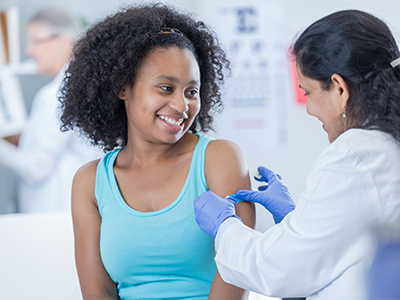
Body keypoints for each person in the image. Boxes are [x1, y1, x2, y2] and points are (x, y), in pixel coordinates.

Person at [194, 9, 400, 300]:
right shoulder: (388, 145)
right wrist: (295, 222)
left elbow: (277, 270)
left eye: (308, 93)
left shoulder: (356, 155)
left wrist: (225, 227)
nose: (309, 109)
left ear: (340, 88)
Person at [59, 4, 255, 300]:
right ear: (123, 87)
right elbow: (97, 291)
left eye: (191, 91)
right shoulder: (90, 182)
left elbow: (236, 274)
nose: (182, 105)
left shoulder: (218, 160)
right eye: (166, 88)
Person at [0, 7, 100, 213]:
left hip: (56, 215)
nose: (28, 51)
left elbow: (37, 168)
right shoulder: (78, 86)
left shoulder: (57, 93)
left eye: (35, 41)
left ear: (63, 42)